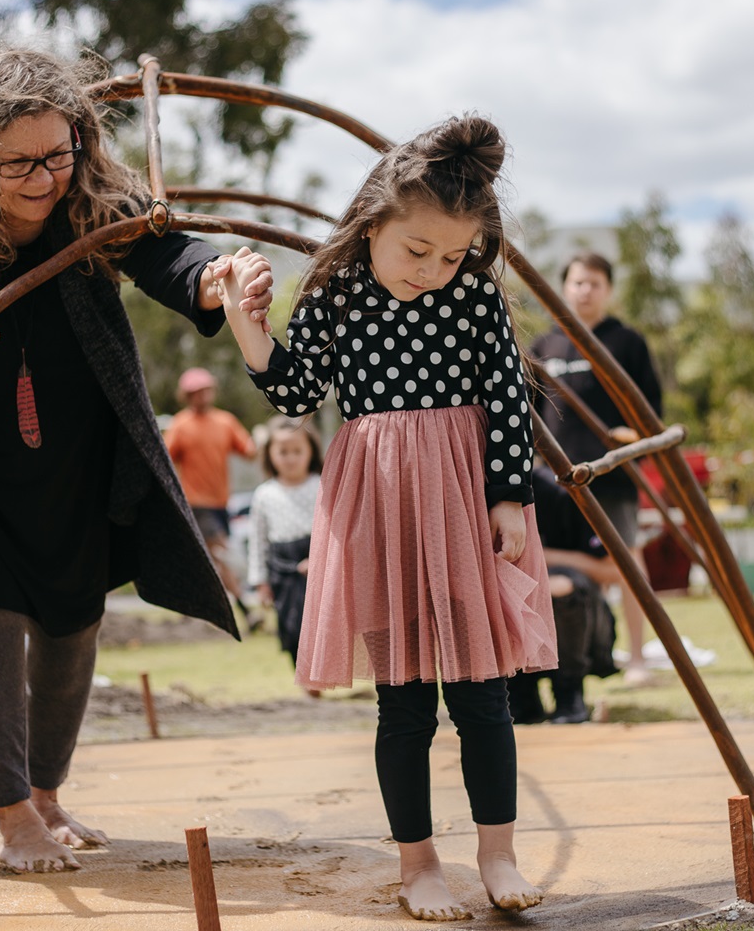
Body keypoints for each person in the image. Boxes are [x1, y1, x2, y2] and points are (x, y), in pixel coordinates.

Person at [0, 45, 275, 875]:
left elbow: (165, 254)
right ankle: (11, 819)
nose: (45, 179)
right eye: (19, 164)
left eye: (59, 154)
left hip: (75, 445)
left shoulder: (90, 186)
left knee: (75, 622)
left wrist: (215, 276)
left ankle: (45, 793)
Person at [213, 114, 555, 920]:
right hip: (380, 509)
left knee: (482, 695)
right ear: (374, 222)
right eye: (419, 251)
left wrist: (509, 496)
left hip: (464, 503)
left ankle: (498, 855)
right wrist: (247, 330)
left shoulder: (471, 292)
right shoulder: (334, 291)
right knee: (402, 702)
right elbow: (298, 394)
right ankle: (418, 866)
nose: (436, 270)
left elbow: (508, 393)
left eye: (452, 254)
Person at [532, 252, 663, 685]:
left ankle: (639, 656)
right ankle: (565, 658)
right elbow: (527, 414)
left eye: (594, 284)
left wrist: (634, 446)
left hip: (612, 477)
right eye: (578, 283)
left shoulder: (626, 342)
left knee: (627, 563)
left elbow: (650, 413)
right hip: (555, 482)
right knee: (557, 570)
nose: (585, 291)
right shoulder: (544, 347)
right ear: (563, 288)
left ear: (608, 290)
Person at [506, 465, 620, 725]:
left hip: (584, 624)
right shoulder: (466, 489)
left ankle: (568, 690)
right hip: (511, 623)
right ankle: (519, 694)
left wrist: (537, 556)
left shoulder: (559, 490)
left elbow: (612, 570)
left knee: (560, 587)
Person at [163, 366, 258, 627]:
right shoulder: (181, 425)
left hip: (221, 503)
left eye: (205, 390)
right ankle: (246, 610)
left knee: (209, 557)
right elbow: (164, 460)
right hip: (196, 502)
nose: (201, 396)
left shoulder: (225, 422)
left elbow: (249, 451)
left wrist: (261, 441)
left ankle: (191, 608)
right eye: (194, 392)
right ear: (185, 396)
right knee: (220, 554)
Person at [246, 416, 323, 682]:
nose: (290, 458)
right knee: (291, 627)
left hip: (319, 561)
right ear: (269, 454)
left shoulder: (322, 485)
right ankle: (303, 677)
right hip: (283, 570)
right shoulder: (264, 495)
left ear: (311, 450)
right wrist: (260, 582)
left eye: (297, 451)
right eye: (283, 452)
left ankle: (323, 674)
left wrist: (319, 559)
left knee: (322, 625)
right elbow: (258, 541)